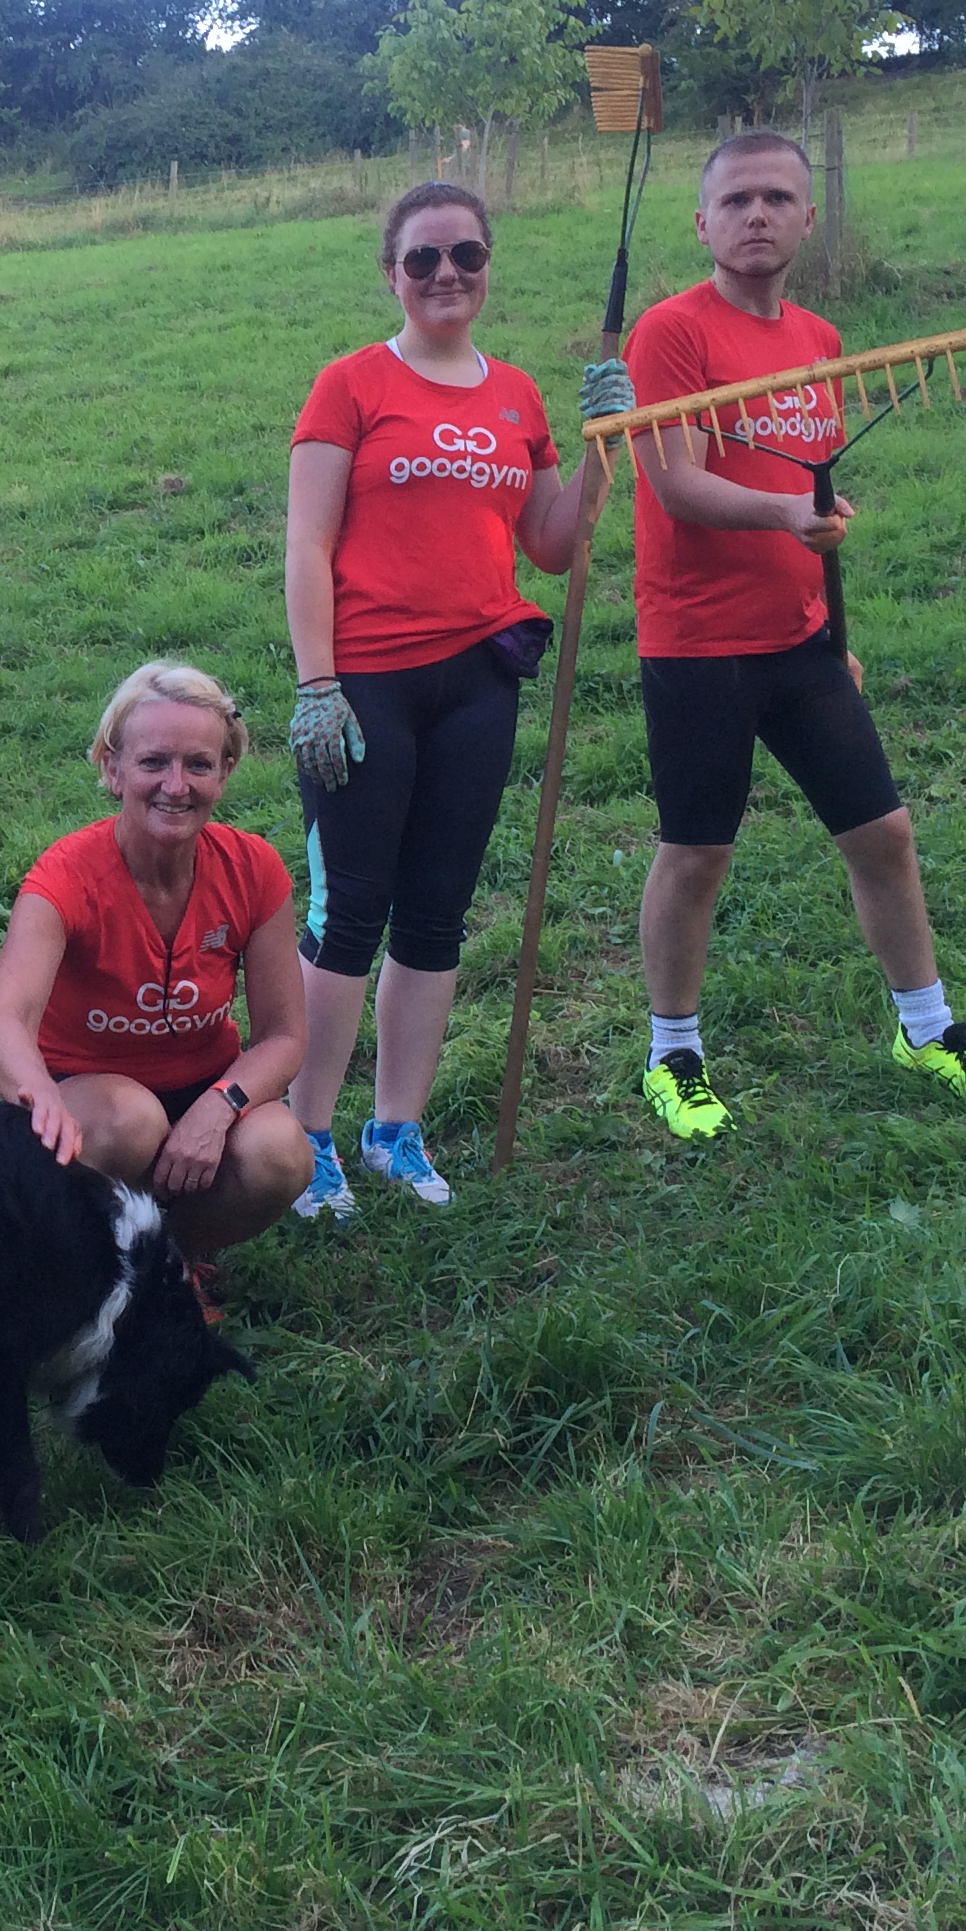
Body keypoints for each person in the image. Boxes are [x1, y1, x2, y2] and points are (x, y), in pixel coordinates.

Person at [618, 130, 966, 1139]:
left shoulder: (818, 338)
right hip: (698, 644)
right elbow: (672, 480)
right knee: (696, 853)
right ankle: (673, 1055)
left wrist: (829, 613)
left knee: (882, 833)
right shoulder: (671, 333)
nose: (756, 215)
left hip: (800, 638)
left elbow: (810, 482)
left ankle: (926, 1029)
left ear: (809, 217)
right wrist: (784, 522)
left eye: (777, 198)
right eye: (736, 201)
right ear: (702, 222)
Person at [282, 182, 610, 1213]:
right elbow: (307, 543)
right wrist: (317, 684)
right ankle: (305, 1137)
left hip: (478, 679)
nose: (445, 275)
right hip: (365, 682)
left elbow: (553, 548)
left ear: (487, 264)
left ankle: (396, 1129)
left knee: (437, 914)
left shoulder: (515, 394)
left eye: (464, 255)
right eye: (422, 259)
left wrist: (608, 445)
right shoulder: (350, 385)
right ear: (392, 273)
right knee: (348, 913)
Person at [0, 662, 313, 1289]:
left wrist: (221, 1107)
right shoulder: (66, 876)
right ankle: (69, 1265)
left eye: (199, 764)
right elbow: (5, 1021)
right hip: (88, 1099)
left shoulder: (255, 868)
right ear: (112, 768)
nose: (176, 785)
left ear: (226, 772)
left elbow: (284, 1036)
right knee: (133, 1119)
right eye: (153, 762)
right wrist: (40, 1099)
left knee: (282, 1152)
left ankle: (160, 1265)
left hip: (202, 1088)